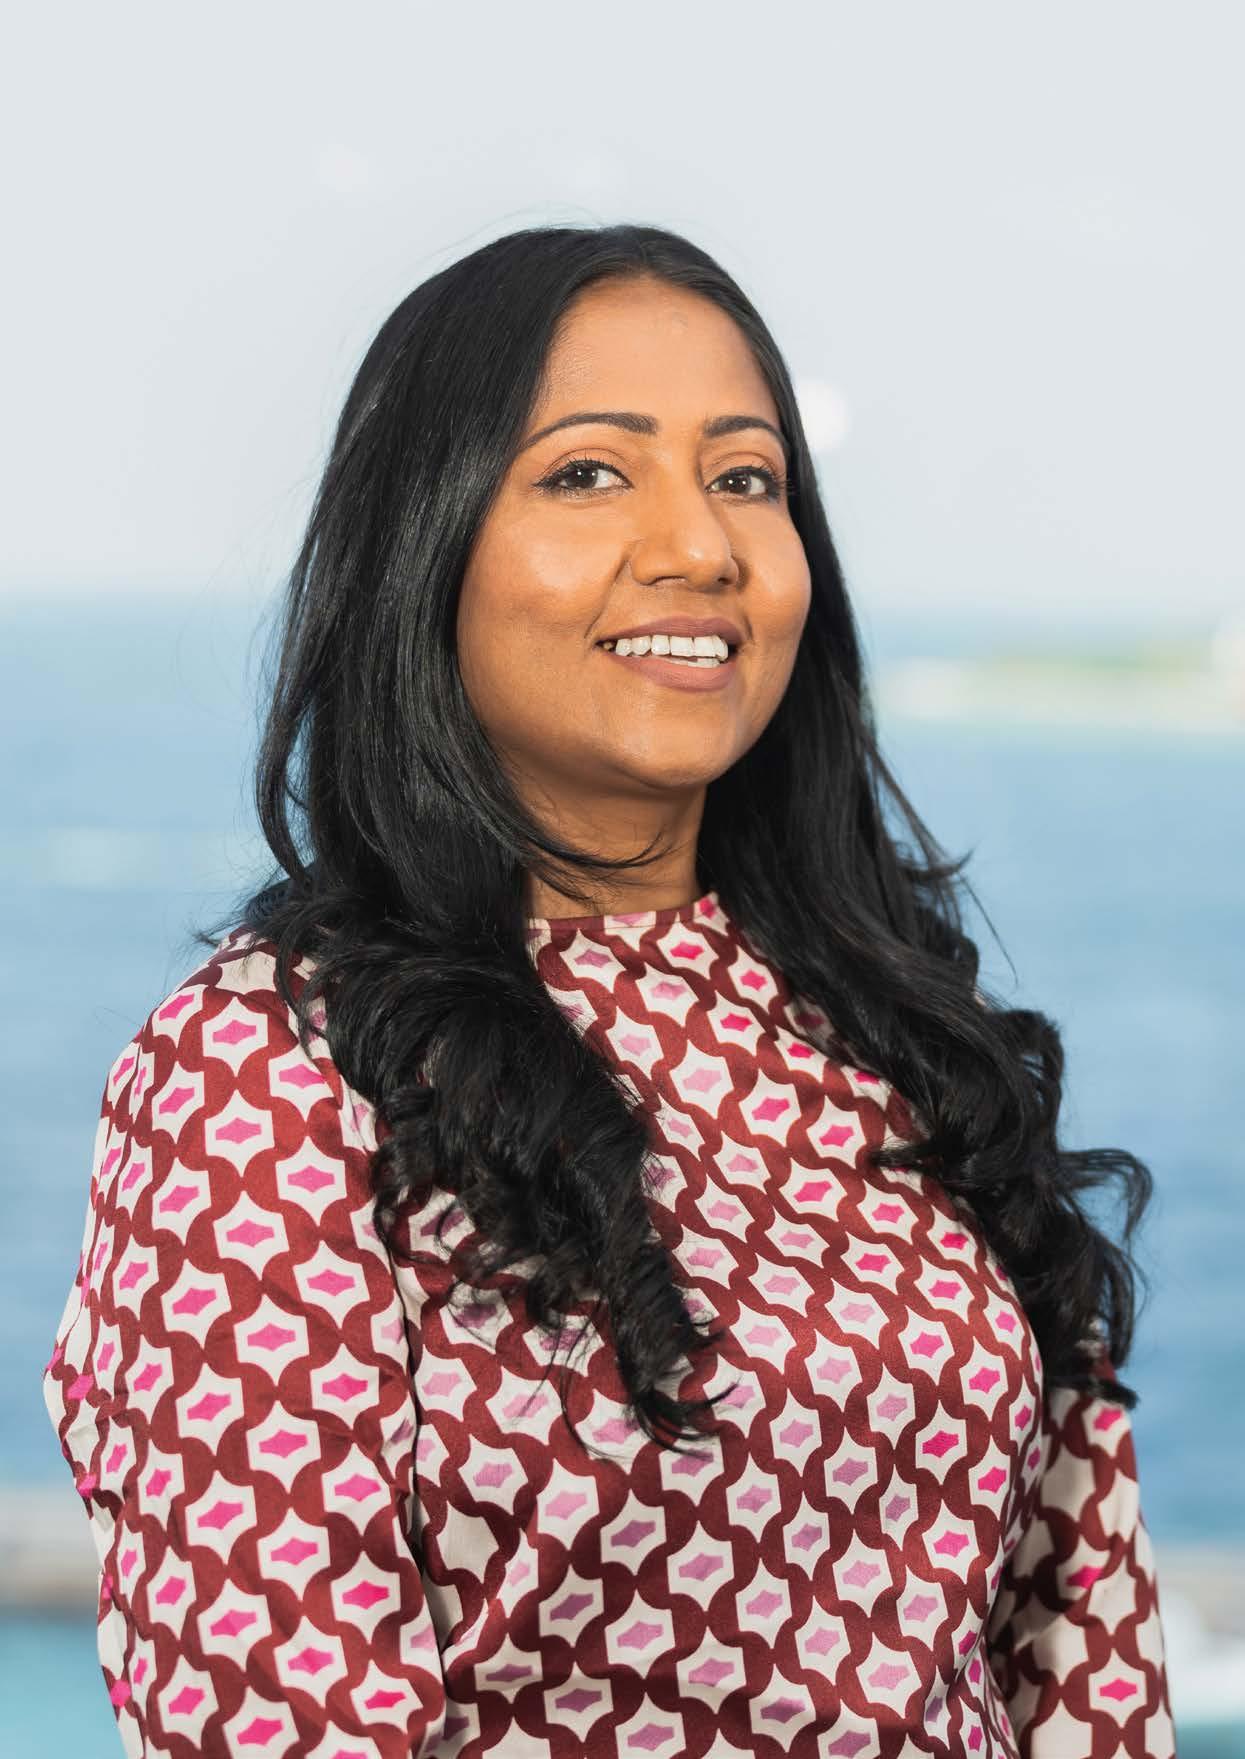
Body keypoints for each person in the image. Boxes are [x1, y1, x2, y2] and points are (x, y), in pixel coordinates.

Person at [43, 223, 1173, 1759]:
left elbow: (1082, 1649)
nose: (699, 546)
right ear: (423, 544)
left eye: (746, 477)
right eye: (587, 473)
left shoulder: (899, 1033)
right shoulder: (267, 1072)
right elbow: (272, 1715)